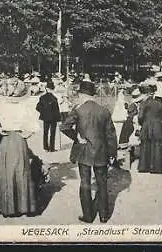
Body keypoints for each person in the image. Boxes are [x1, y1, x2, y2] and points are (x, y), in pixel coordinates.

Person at [0, 83, 41, 217]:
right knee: (21, 171)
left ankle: (8, 208)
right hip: (19, 141)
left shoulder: (1, 106)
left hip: (6, 141)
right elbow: (35, 126)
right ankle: (23, 207)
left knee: (6, 172)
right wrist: (27, 134)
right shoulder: (25, 107)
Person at [60, 81, 118, 224]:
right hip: (101, 151)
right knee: (102, 183)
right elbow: (111, 134)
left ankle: (88, 215)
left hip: (84, 150)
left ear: (82, 94)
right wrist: (112, 153)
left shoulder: (78, 109)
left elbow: (64, 126)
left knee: (85, 182)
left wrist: (77, 137)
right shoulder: (104, 110)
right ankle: (104, 216)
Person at [137, 85, 162, 174]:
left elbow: (140, 117)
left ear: (146, 94)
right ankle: (158, 168)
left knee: (145, 146)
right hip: (157, 125)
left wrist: (143, 123)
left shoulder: (143, 103)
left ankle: (144, 167)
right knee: (157, 146)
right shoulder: (159, 103)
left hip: (146, 125)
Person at [36, 81, 61, 152]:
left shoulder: (42, 97)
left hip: (45, 117)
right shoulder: (54, 98)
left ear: (46, 89)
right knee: (52, 133)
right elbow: (57, 110)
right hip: (53, 118)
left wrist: (43, 112)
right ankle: (52, 148)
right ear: (52, 89)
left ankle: (45, 148)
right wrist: (59, 119)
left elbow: (37, 108)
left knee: (45, 132)